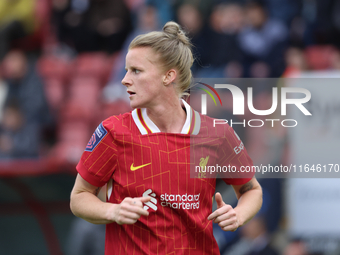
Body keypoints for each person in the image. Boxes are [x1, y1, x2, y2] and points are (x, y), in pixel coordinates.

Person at [70, 21, 262, 254]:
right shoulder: (113, 132)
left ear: (168, 76)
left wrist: (238, 214)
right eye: (126, 70)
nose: (125, 79)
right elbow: (79, 197)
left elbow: (251, 190)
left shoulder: (217, 133)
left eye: (136, 71)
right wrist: (113, 211)